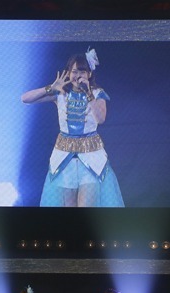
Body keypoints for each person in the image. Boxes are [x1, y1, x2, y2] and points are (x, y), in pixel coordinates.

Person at [21, 47, 124, 207]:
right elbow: (25, 99)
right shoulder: (60, 94)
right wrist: (50, 88)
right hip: (64, 159)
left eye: (82, 72)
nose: (78, 76)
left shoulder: (97, 93)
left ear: (89, 74)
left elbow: (101, 118)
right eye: (74, 71)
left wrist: (88, 93)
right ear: (68, 73)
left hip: (91, 158)